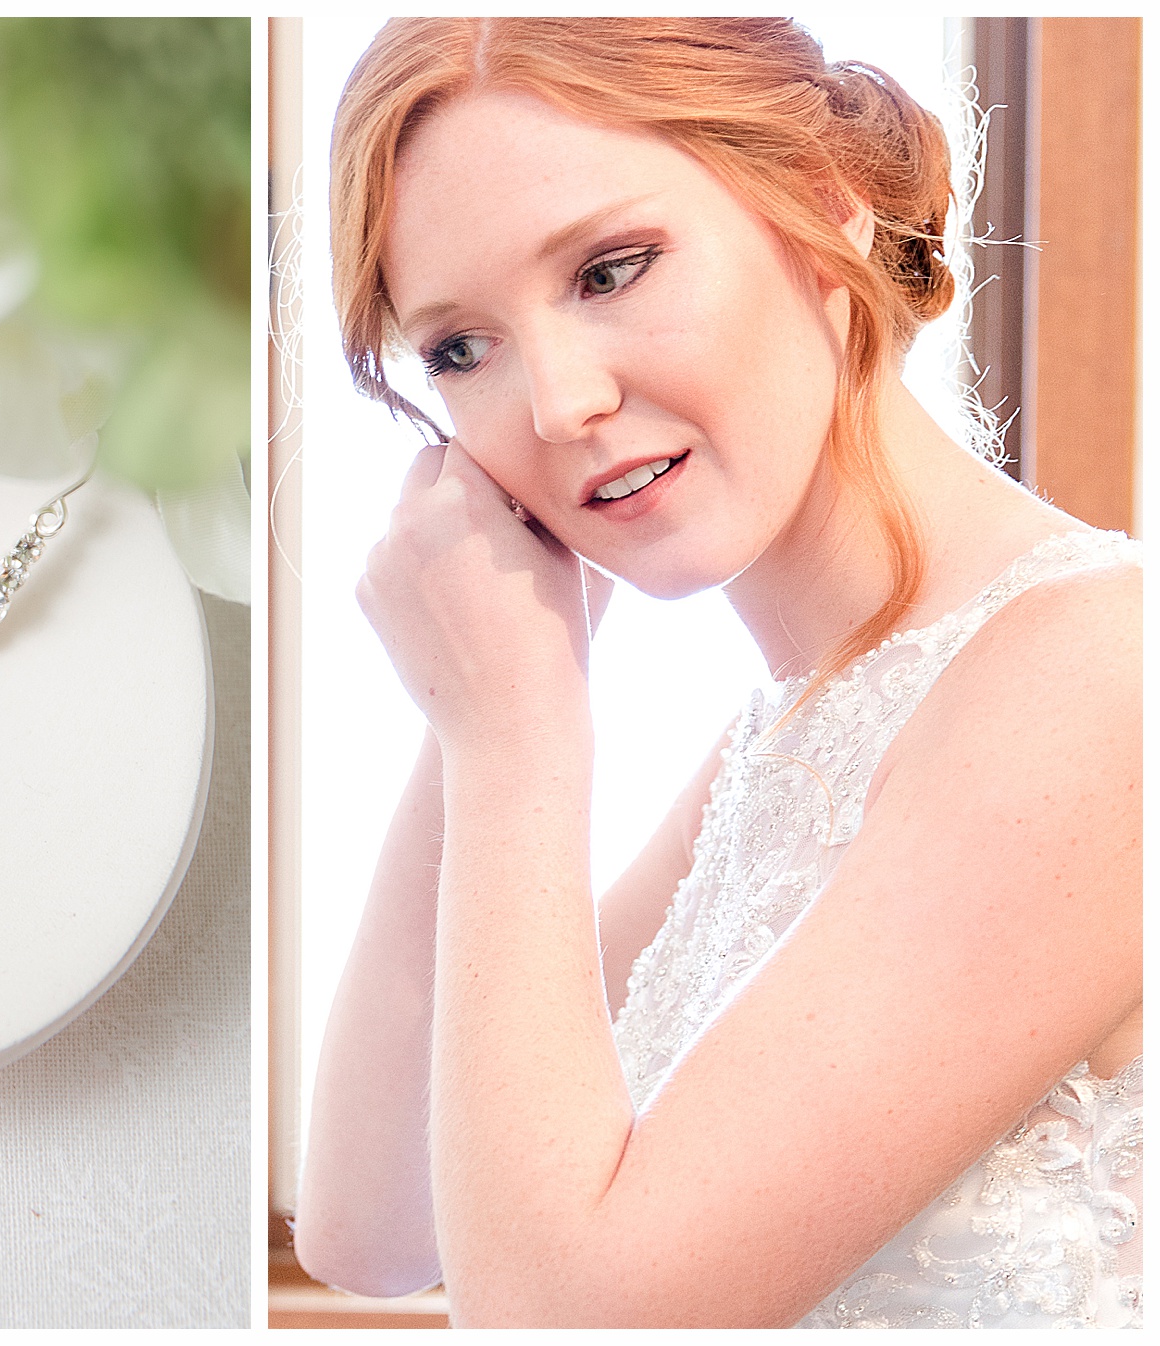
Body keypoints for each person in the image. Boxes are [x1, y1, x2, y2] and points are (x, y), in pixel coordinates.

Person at [293, 17, 1141, 1329]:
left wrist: (517, 739)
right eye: (460, 349)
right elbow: (369, 1220)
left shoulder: (1094, 678)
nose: (558, 401)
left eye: (611, 269)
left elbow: (566, 1320)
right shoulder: (796, 734)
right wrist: (481, 683)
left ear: (824, 202)